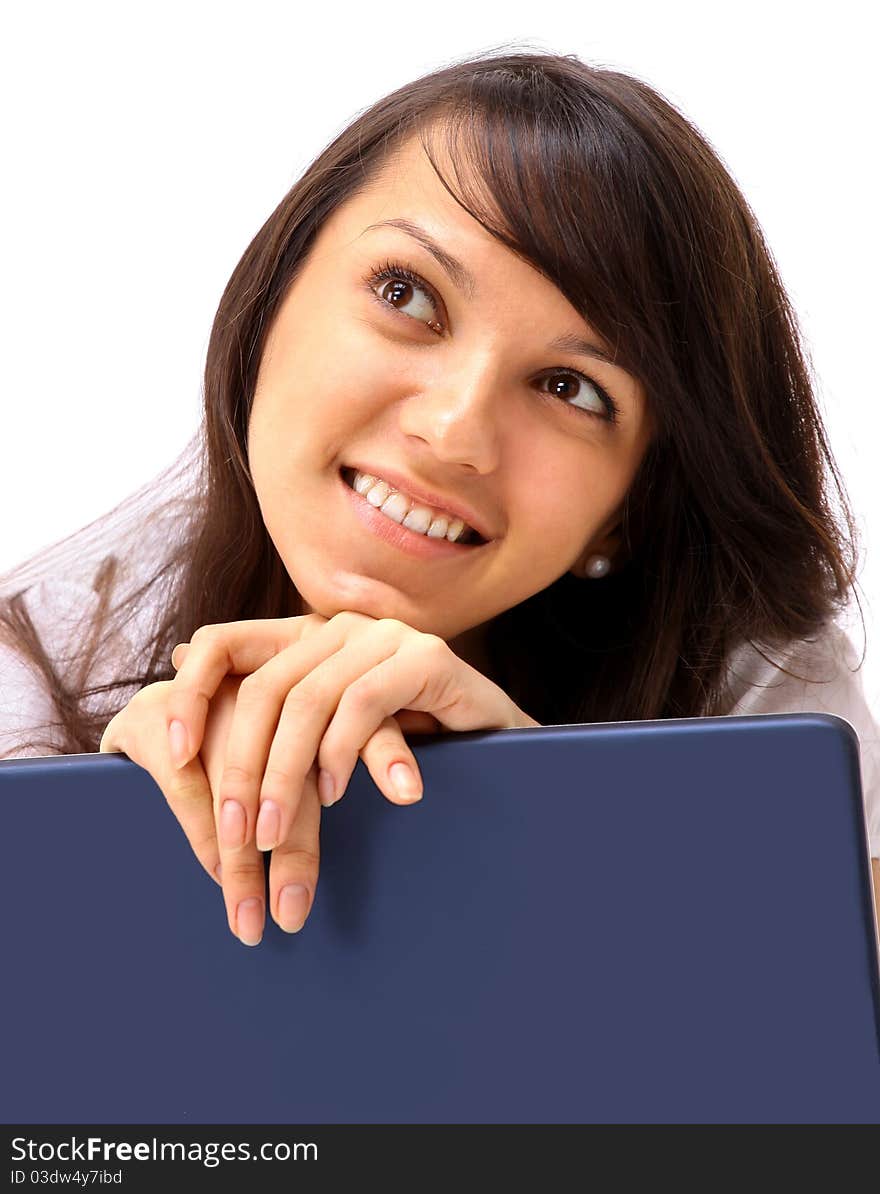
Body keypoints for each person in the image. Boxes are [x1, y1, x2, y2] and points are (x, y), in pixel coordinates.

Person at [1, 48, 878, 948]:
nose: (456, 433)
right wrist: (89, 854)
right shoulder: (30, 672)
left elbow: (814, 1071)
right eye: (405, 294)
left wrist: (541, 801)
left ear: (625, 509)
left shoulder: (763, 706)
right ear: (270, 301)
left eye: (572, 388)